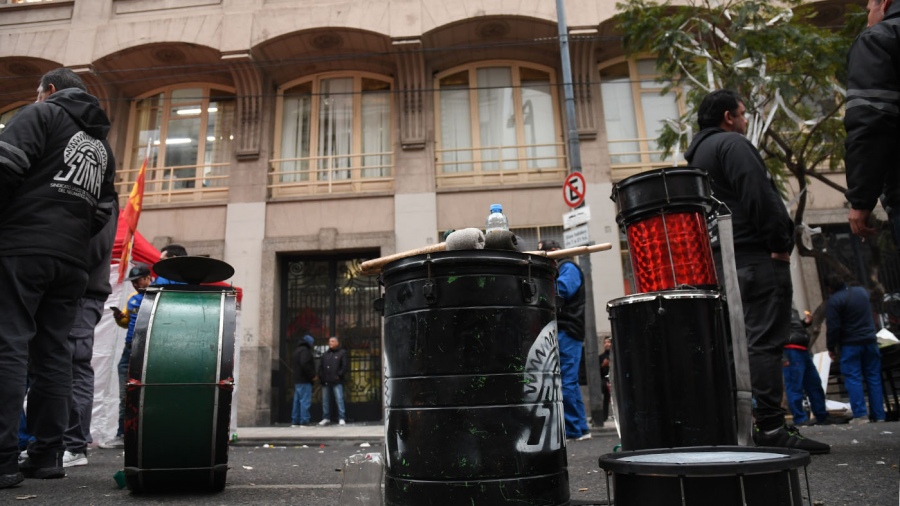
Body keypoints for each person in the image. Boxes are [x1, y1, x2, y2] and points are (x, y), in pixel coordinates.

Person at [684, 89, 829, 454]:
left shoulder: (697, 158)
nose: (747, 120)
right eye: (743, 114)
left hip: (723, 261)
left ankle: (745, 427)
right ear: (728, 117)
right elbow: (759, 195)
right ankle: (769, 427)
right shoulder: (732, 145)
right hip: (754, 257)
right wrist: (780, 242)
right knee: (764, 342)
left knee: (740, 346)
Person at [0, 67, 117, 488]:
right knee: (53, 355)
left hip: (21, 246)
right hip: (71, 262)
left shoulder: (41, 115)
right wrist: (68, 234)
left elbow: (5, 168)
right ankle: (47, 454)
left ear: (49, 90)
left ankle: (4, 458)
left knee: (8, 344)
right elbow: (104, 213)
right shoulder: (102, 146)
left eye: (38, 92)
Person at [62, 203, 118, 468]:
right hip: (75, 292)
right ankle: (62, 443)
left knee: (75, 365)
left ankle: (73, 445)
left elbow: (92, 249)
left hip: (83, 293)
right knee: (62, 366)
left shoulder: (101, 201)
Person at [844, 0, 900, 242]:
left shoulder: (878, 39)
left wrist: (861, 200)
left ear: (884, 3)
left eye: (869, 9)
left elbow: (870, 122)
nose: (868, 18)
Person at [538, 239, 591, 441]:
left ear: (553, 252)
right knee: (571, 381)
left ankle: (573, 430)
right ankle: (581, 429)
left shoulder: (567, 267)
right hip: (568, 329)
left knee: (566, 381)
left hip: (567, 329)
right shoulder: (565, 267)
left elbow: (561, 290)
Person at [101, 263, 153, 449]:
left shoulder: (156, 298)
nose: (136, 285)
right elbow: (126, 323)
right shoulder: (132, 299)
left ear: (148, 278)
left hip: (146, 351)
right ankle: (122, 434)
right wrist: (120, 318)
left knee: (144, 393)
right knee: (125, 393)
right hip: (128, 349)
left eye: (138, 281)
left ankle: (142, 434)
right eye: (133, 282)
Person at [825, 275, 887, 423]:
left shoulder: (834, 301)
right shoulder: (862, 292)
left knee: (853, 378)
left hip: (850, 344)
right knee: (874, 378)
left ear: (830, 288)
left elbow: (833, 327)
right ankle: (879, 415)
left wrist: (831, 347)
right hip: (870, 341)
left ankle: (860, 414)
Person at [783, 307, 849, 426]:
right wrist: (783, 356)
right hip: (792, 350)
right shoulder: (777, 307)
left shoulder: (790, 309)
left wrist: (804, 323)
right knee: (795, 386)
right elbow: (775, 332)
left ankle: (820, 415)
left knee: (814, 384)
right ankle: (800, 419)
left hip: (801, 350)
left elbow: (792, 328)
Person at [318, 336, 347, 426]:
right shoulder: (326, 354)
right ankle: (326, 417)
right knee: (325, 400)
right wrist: (321, 376)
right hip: (326, 380)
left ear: (337, 343)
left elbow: (344, 366)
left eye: (332, 341)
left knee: (339, 399)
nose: (330, 343)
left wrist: (339, 375)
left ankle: (341, 417)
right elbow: (321, 367)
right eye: (329, 341)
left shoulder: (342, 353)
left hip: (336, 380)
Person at [291, 335, 317, 427]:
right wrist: (312, 375)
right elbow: (304, 363)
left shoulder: (296, 351)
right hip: (305, 380)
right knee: (304, 401)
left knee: (297, 401)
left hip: (297, 380)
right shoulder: (305, 351)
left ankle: (295, 420)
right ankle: (304, 420)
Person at [599, 336, 612, 423]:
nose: (607, 344)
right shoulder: (601, 357)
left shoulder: (615, 355)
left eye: (608, 342)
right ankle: (604, 416)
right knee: (606, 395)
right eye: (605, 342)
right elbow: (598, 372)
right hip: (605, 379)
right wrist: (603, 365)